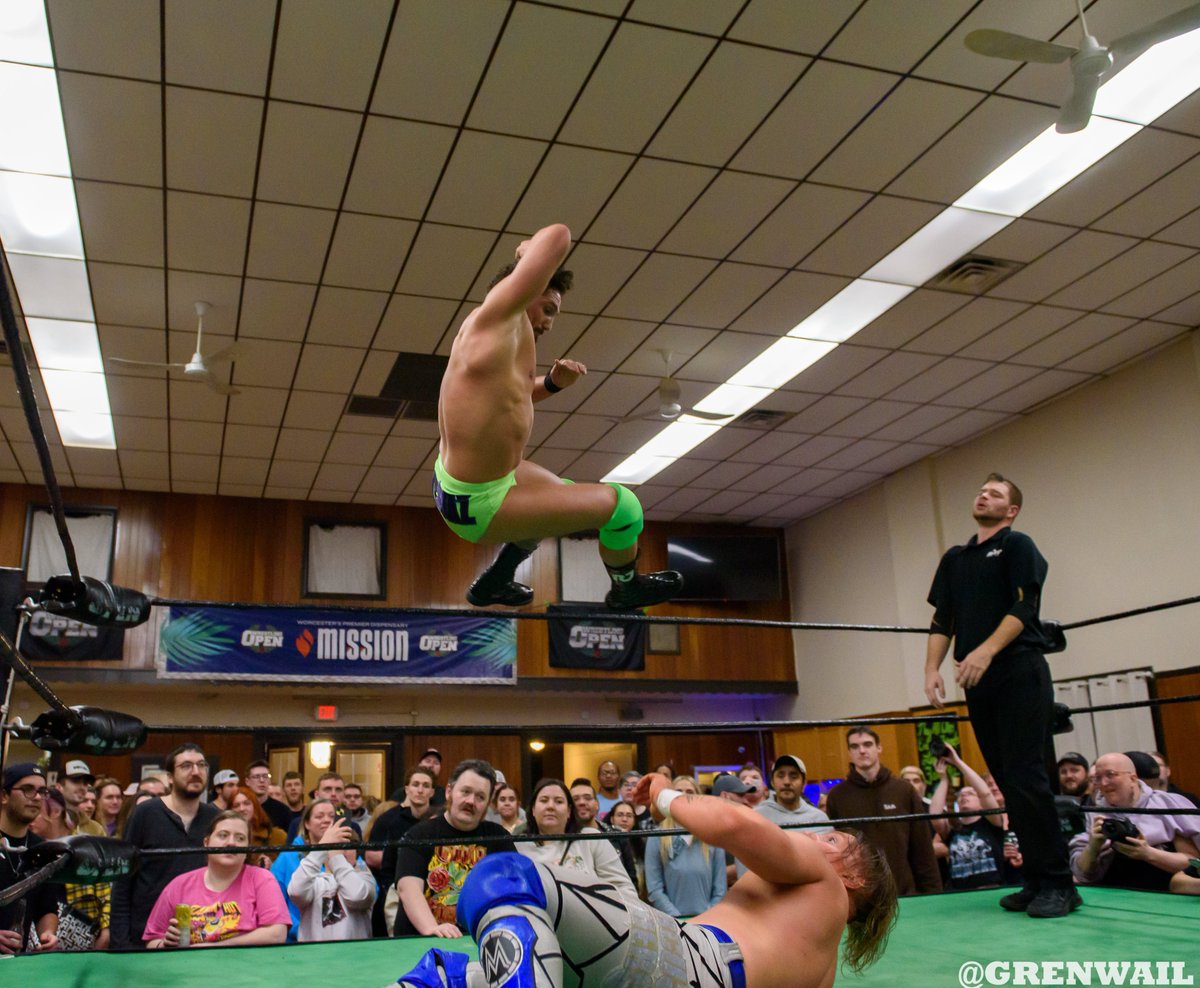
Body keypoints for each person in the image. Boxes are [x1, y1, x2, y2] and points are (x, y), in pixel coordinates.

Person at [396, 770, 897, 987]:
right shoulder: (824, 968)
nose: (819, 836)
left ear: (855, 878)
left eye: (836, 842)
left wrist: (664, 797)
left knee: (501, 876)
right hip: (682, 969)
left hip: (685, 962)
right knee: (446, 976)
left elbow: (733, 824)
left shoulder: (824, 883)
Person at [434, 222, 682, 610]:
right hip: (480, 503)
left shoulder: (495, 340)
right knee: (623, 507)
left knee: (558, 496)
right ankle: (626, 588)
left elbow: (507, 399)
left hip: (468, 485)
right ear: (525, 287)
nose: (549, 321)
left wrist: (550, 383)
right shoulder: (497, 319)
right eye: (547, 308)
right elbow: (558, 235)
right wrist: (525, 255)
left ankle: (494, 581)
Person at [924, 473, 1077, 918]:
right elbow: (942, 619)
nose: (984, 495)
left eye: (996, 494)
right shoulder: (955, 558)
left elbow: (1024, 606)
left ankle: (1059, 884)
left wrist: (986, 651)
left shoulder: (1017, 545)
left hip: (1018, 669)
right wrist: (931, 668)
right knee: (1007, 781)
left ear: (1011, 510)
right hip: (978, 678)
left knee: (1029, 778)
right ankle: (1034, 880)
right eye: (982, 490)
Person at [111, 743, 221, 948]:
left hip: (202, 937)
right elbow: (123, 880)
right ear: (170, 776)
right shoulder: (145, 813)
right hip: (144, 937)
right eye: (186, 766)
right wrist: (121, 944)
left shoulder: (215, 818)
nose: (196, 772)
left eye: (201, 765)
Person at [392, 759, 518, 938]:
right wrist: (432, 928)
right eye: (465, 792)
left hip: (479, 942)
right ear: (449, 791)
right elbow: (408, 888)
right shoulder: (420, 834)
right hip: (422, 943)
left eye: (480, 797)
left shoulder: (498, 837)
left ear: (489, 803)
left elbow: (516, 887)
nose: (471, 801)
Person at [144, 810, 290, 947]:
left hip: (246, 970)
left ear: (248, 849)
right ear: (206, 843)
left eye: (240, 838)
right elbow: (151, 940)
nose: (231, 843)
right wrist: (164, 944)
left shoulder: (262, 879)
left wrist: (213, 947)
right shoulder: (179, 885)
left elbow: (277, 934)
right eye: (223, 835)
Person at [826, 727, 942, 896]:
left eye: (867, 744)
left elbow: (922, 847)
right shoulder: (837, 796)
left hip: (905, 892)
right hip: (862, 895)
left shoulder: (904, 790)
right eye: (855, 746)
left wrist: (934, 892)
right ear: (849, 752)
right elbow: (837, 853)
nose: (862, 750)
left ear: (879, 748)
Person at [1069, 752, 1200, 891]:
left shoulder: (1167, 806)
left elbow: (1192, 863)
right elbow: (1082, 875)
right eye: (1097, 778)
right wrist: (1093, 847)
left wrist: (1147, 853)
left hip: (1165, 891)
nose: (1103, 783)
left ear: (1132, 778)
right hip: (1115, 895)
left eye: (1110, 774)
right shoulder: (1094, 814)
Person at [929, 744, 1021, 890]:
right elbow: (934, 815)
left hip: (991, 888)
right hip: (959, 893)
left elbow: (985, 793)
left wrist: (958, 762)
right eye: (961, 795)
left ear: (981, 802)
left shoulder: (992, 823)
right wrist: (944, 780)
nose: (964, 796)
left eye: (970, 794)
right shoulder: (953, 828)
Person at [30, 788, 111, 950]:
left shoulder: (84, 851)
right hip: (36, 945)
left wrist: (105, 935)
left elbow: (108, 901)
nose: (30, 818)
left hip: (83, 946)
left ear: (54, 812)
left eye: (37, 811)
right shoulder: (29, 852)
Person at [518, 778, 633, 891]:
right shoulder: (518, 846)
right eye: (544, 800)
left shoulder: (591, 838)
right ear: (533, 809)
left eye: (559, 801)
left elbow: (624, 888)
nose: (550, 806)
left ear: (569, 811)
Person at [287, 808, 376, 942]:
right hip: (315, 959)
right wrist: (321, 849)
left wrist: (336, 857)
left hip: (354, 959)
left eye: (348, 846)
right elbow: (295, 891)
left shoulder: (364, 877)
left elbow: (357, 896)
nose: (342, 850)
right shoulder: (314, 881)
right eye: (337, 845)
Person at [370, 767, 438, 939]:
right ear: (407, 789)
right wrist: (392, 893)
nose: (420, 790)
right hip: (400, 896)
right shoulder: (392, 821)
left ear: (432, 792)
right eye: (415, 785)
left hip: (436, 896)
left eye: (425, 785)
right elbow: (387, 866)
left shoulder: (439, 820)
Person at [0, 763, 61, 954]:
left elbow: (48, 908)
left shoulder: (44, 850)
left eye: (42, 791)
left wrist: (48, 934)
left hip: (16, 964)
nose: (36, 797)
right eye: (27, 790)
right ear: (4, 795)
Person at [645, 776, 726, 916]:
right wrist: (678, 920)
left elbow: (720, 889)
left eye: (689, 791)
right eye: (678, 791)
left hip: (708, 922)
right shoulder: (656, 837)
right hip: (672, 923)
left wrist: (708, 918)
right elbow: (654, 889)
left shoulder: (713, 835)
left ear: (698, 798)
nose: (683, 796)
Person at [755, 755, 831, 833]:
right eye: (780, 776)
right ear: (772, 782)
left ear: (804, 783)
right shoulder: (758, 816)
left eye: (794, 776)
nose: (786, 782)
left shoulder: (819, 818)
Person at [230, 786, 287, 868]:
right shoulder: (226, 839)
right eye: (236, 805)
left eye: (246, 803)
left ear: (255, 806)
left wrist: (273, 865)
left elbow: (287, 870)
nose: (241, 808)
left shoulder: (277, 836)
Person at [57, 759, 104, 837]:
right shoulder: (47, 823)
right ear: (59, 787)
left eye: (85, 783)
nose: (82, 787)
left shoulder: (96, 829)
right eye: (76, 781)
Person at [246, 761, 292, 830]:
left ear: (269, 781)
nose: (261, 780)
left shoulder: (283, 811)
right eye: (256, 776)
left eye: (265, 776)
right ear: (247, 781)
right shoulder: (242, 807)